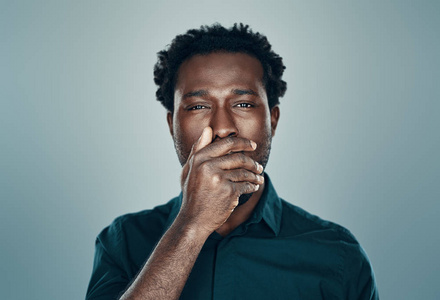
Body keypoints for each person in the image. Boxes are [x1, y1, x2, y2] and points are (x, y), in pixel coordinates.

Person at [86, 23, 379, 300]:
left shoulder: (337, 255)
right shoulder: (122, 241)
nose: (223, 127)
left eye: (243, 104)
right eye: (199, 106)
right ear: (171, 125)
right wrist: (191, 225)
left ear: (272, 121)